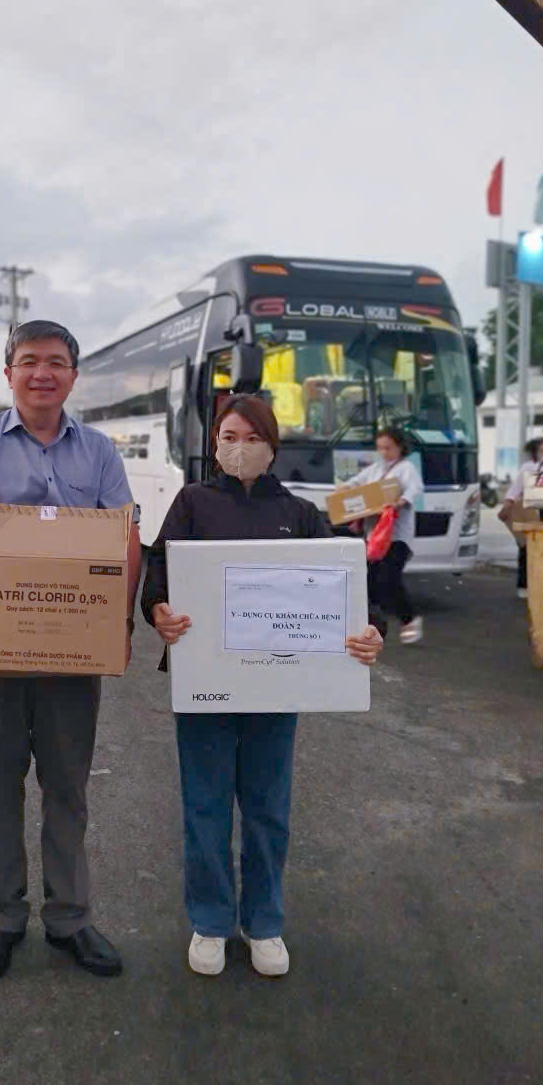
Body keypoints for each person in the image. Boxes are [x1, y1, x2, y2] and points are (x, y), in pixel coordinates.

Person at [0, 320, 141, 984]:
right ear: (9, 373)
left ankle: (71, 917)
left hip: (74, 652)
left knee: (67, 786)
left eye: (55, 362)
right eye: (28, 361)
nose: (42, 373)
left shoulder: (99, 451)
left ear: (73, 375)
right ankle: (5, 916)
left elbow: (126, 539)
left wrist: (117, 622)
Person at [141, 395, 384, 979]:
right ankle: (210, 921)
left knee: (268, 808)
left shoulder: (299, 513)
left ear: (272, 447)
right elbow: (158, 577)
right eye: (229, 437)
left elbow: (342, 587)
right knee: (205, 805)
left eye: (252, 438)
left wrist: (367, 631)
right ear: (214, 444)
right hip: (206, 684)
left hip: (278, 686)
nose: (240, 448)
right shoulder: (192, 502)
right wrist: (158, 613)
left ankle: (264, 922)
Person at [345, 426, 425, 644]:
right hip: (374, 538)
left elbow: (415, 489)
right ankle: (372, 626)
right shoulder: (376, 469)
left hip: (397, 538)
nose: (384, 452)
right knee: (369, 583)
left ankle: (409, 619)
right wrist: (344, 490)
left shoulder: (406, 468)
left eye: (388, 448)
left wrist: (400, 502)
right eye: (380, 448)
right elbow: (356, 483)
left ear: (400, 447)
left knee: (389, 579)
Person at [499, 438, 543, 597]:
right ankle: (524, 585)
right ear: (535, 453)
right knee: (526, 551)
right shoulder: (529, 468)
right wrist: (507, 506)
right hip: (530, 515)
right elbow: (514, 490)